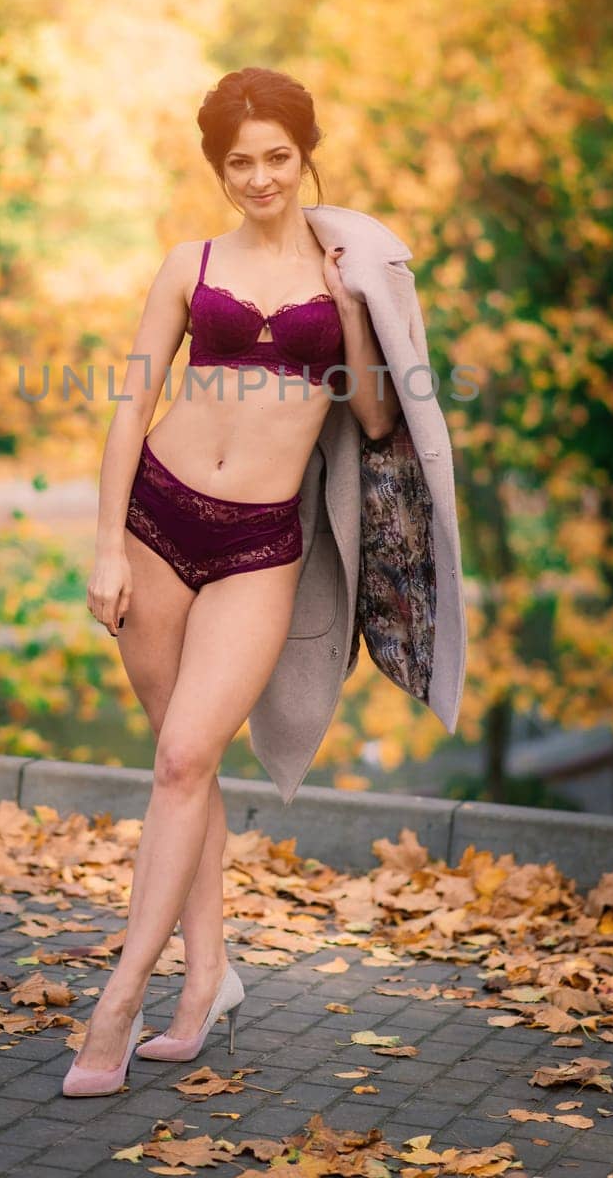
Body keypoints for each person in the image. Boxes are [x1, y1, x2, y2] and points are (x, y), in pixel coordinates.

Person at [63, 66, 402, 1096]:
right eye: (239, 161)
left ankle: (121, 997)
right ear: (219, 168)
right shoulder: (188, 262)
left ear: (306, 156)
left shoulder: (348, 272)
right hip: (157, 521)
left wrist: (347, 310)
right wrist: (109, 543)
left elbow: (380, 421)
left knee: (184, 756)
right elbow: (131, 406)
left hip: (260, 542)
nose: (260, 176)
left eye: (277, 156)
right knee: (183, 767)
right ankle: (208, 974)